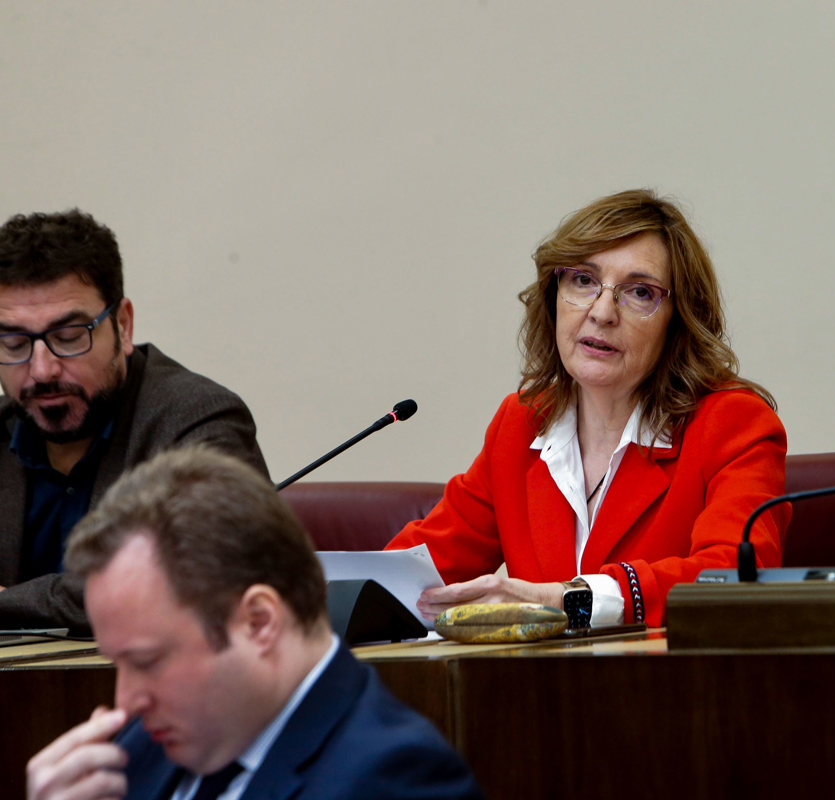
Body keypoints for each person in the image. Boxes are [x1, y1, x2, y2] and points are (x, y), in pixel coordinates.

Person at [386, 189, 790, 628]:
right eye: (583, 280)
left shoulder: (732, 424)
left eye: (639, 292)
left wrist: (568, 600)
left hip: (675, 690)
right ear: (553, 295)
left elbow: (733, 577)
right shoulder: (522, 424)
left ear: (679, 322)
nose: (602, 312)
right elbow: (417, 571)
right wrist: (315, 593)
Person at [26, 447, 482, 800]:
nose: (126, 702)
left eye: (148, 661)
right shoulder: (137, 750)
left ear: (259, 622)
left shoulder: (395, 779)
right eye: (118, 663)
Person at [0, 209, 267, 632]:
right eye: (13, 344)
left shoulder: (196, 420)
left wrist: (9, 603)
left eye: (69, 337)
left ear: (122, 327)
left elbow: (188, 581)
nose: (42, 370)